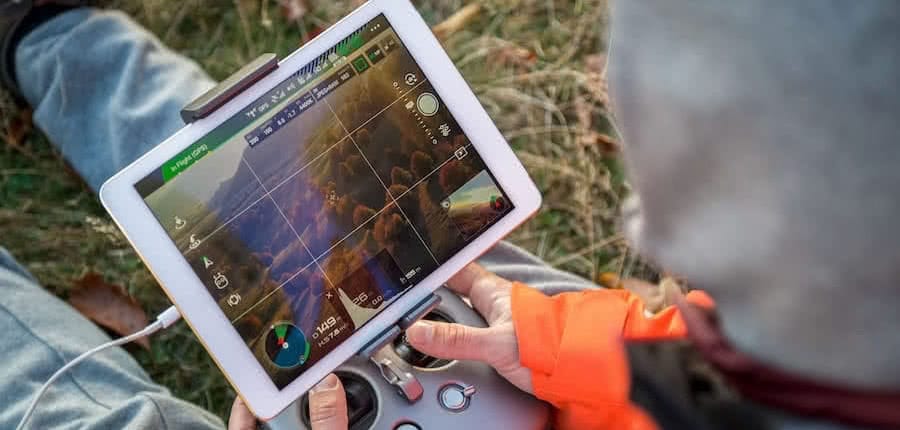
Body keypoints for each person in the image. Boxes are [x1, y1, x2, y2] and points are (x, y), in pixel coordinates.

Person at [2, 1, 899, 430]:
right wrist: (563, 343)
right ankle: (49, 36)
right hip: (600, 393)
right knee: (278, 150)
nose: (647, 234)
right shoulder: (811, 363)